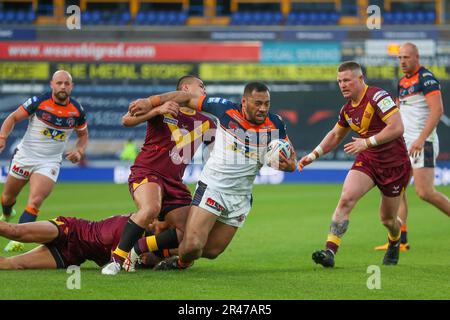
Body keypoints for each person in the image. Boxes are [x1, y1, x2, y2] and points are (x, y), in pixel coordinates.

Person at [128, 81, 297, 271]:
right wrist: (150, 102)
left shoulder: (276, 124)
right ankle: (158, 253)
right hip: (213, 189)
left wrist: (290, 165)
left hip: (240, 198)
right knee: (192, 245)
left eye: (266, 103)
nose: (263, 108)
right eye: (257, 103)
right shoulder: (225, 110)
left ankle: (167, 254)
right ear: (244, 102)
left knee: (210, 251)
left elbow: (289, 156)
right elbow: (187, 97)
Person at [298, 61, 411, 267]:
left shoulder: (378, 96)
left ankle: (394, 240)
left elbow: (397, 127)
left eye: (347, 80)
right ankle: (330, 252)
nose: (342, 85)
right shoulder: (347, 109)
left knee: (387, 220)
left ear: (360, 79)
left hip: (394, 165)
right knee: (346, 199)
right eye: (340, 81)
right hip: (368, 161)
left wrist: (366, 142)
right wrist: (313, 155)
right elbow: (335, 135)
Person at [101, 75, 216, 275]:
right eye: (202, 87)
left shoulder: (207, 122)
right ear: (186, 88)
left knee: (189, 232)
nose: (205, 92)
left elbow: (217, 152)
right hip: (147, 171)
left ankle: (139, 248)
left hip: (174, 182)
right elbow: (126, 120)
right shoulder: (166, 105)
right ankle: (117, 260)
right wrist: (156, 110)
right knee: (151, 208)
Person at [0, 70, 88, 253]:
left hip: (49, 162)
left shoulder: (77, 110)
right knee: (7, 198)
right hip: (25, 156)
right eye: (59, 83)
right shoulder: (39, 102)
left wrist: (79, 151)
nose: (63, 86)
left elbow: (83, 135)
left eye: (66, 83)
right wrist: (2, 137)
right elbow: (13, 117)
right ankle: (7, 213)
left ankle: (19, 239)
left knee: (36, 200)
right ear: (52, 84)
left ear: (71, 86)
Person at [375, 43, 450, 252]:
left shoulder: (426, 78)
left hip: (422, 143)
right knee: (398, 189)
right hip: (404, 144)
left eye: (406, 57)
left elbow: (437, 110)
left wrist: (421, 139)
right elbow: (399, 111)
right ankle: (401, 240)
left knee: (425, 192)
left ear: (417, 57)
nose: (402, 61)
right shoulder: (402, 82)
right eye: (399, 58)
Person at [0, 212, 173, 269]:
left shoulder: (145, 240)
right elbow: (115, 262)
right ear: (152, 219)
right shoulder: (130, 227)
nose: (164, 229)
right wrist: (151, 260)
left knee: (12, 264)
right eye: (164, 224)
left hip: (72, 256)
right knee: (14, 231)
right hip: (70, 230)